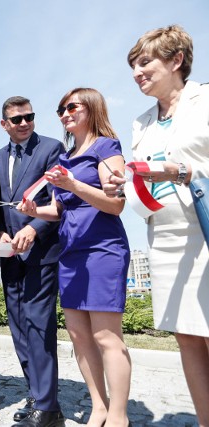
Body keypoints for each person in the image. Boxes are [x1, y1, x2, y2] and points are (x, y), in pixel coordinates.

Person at [103, 25, 209, 426]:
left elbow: (185, 168)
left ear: (177, 60)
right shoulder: (141, 122)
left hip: (205, 229)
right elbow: (143, 175)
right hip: (164, 236)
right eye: (134, 65)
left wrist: (182, 171)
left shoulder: (206, 99)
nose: (136, 72)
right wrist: (125, 181)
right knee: (187, 337)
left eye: (145, 62)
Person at [19, 88, 131, 427]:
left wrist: (73, 184)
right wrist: (33, 209)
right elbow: (59, 207)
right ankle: (99, 406)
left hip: (102, 248)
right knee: (80, 336)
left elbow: (116, 203)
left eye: (72, 106)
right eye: (60, 109)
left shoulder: (106, 147)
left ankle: (118, 416)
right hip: (70, 252)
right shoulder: (66, 157)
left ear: (92, 108)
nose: (65, 113)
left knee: (106, 337)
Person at [0, 96, 65, 427]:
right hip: (10, 257)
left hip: (42, 253)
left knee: (39, 326)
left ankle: (48, 407)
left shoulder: (51, 148)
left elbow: (58, 201)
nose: (24, 123)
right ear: (4, 124)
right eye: (16, 119)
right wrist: (0, 234)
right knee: (19, 328)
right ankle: (36, 394)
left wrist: (34, 229)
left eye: (29, 117)